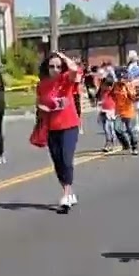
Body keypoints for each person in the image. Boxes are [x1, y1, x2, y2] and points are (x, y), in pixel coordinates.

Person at [36, 51, 83, 212]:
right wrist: (44, 107)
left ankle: (67, 193)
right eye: (51, 66)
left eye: (58, 66)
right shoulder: (42, 84)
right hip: (51, 127)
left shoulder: (65, 80)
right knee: (58, 163)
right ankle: (68, 191)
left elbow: (74, 70)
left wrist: (62, 56)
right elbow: (40, 103)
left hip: (69, 125)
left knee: (66, 159)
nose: (55, 69)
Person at [110, 68, 139, 155]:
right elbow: (112, 94)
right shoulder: (115, 85)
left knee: (129, 129)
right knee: (116, 128)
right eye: (119, 78)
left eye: (122, 78)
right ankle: (125, 144)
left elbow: (133, 97)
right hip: (119, 111)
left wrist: (127, 89)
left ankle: (134, 147)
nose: (121, 80)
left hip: (128, 111)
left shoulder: (129, 85)